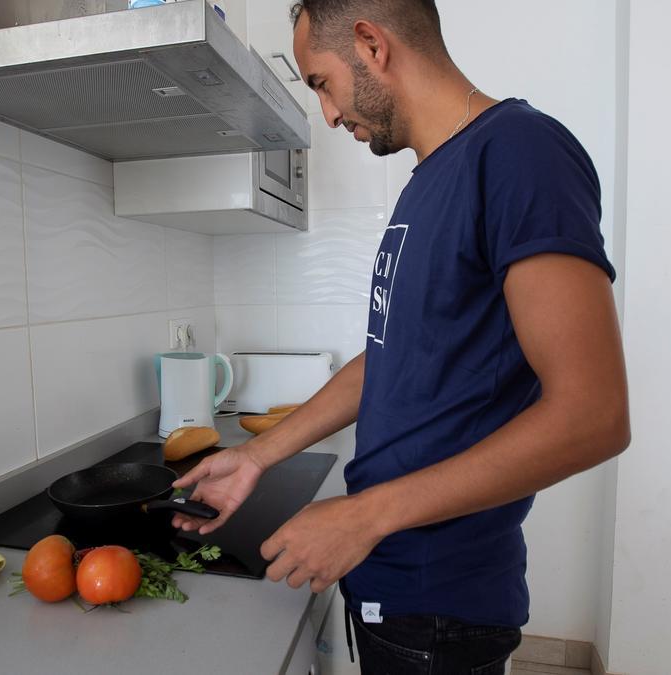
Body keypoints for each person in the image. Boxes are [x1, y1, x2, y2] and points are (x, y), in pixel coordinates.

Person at [172, 1, 630, 671]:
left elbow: (594, 415)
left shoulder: (520, 152)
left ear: (371, 44)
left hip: (440, 602)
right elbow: (390, 359)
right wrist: (257, 456)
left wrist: (363, 516)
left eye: (321, 83)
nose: (326, 115)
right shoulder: (428, 180)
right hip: (399, 587)